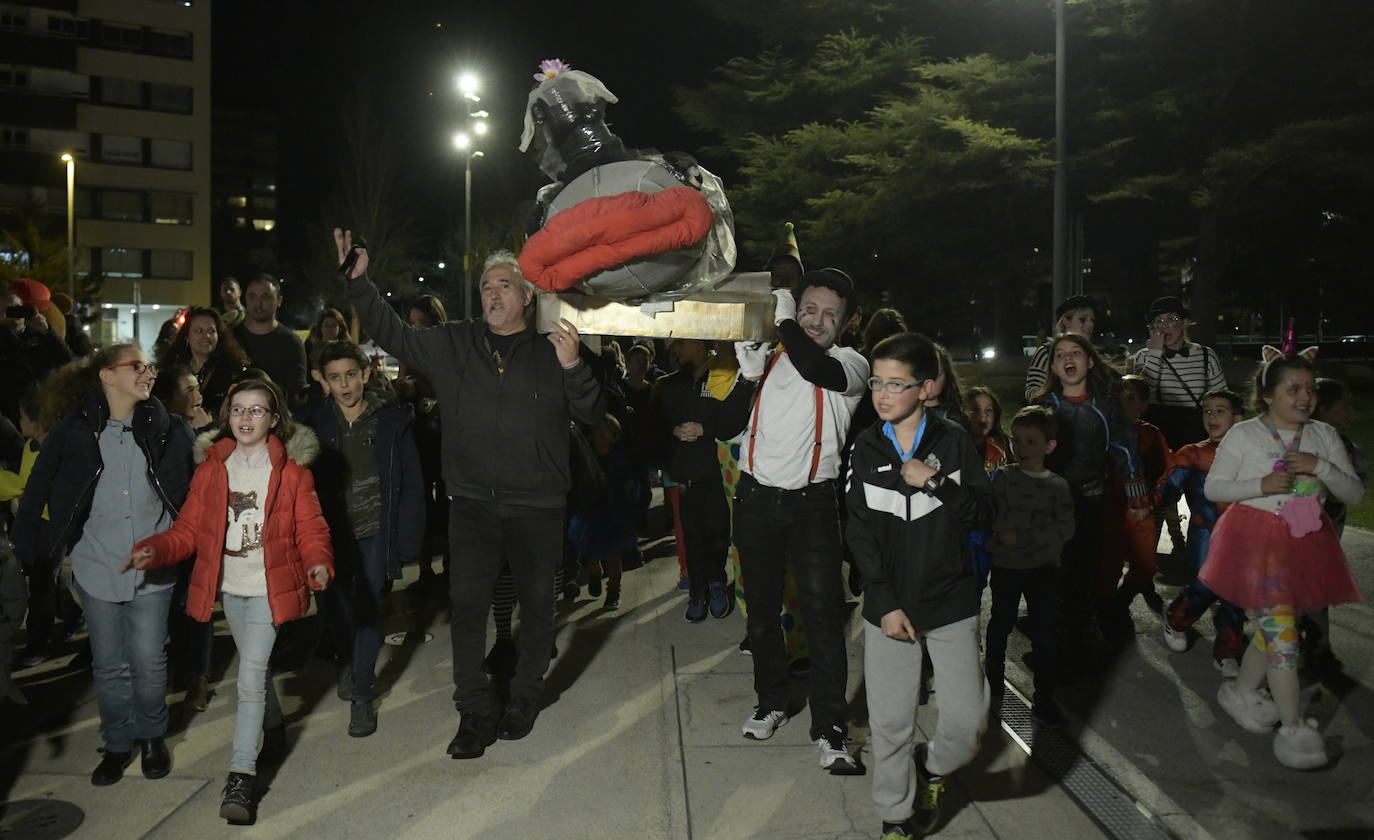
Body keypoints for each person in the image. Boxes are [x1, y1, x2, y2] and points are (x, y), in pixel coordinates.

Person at [335, 230, 604, 760]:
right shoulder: (455, 342)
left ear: (527, 296)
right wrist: (360, 284)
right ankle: (472, 712)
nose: (494, 294)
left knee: (537, 609)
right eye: (486, 287)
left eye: (505, 285)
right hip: (473, 504)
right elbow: (393, 332)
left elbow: (595, 415)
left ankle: (524, 698)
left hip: (538, 504)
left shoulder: (556, 346)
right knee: (466, 609)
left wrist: (574, 366)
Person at [125, 377, 333, 821]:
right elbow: (188, 531)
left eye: (257, 410)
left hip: (267, 588)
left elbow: (312, 528)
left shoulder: (292, 474)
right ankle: (273, 725)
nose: (246, 417)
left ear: (275, 419)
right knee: (254, 669)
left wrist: (319, 563)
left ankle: (240, 777)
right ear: (227, 416)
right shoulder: (211, 470)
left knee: (248, 676)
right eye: (238, 409)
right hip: (229, 589)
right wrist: (156, 548)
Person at [11, 345, 193, 786]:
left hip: (153, 565)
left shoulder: (168, 429)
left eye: (149, 366)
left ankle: (151, 737)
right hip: (97, 564)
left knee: (148, 660)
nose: (148, 373)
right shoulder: (73, 433)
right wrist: (28, 548)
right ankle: (116, 742)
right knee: (110, 664)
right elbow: (37, 491)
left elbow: (186, 492)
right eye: (137, 366)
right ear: (107, 377)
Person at [845, 332, 997, 838]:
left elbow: (984, 513)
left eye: (896, 384)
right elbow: (859, 534)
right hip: (890, 608)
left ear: (927, 388)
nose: (882, 395)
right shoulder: (865, 446)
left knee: (968, 725)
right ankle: (894, 817)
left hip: (951, 602)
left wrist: (934, 482)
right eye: (876, 383)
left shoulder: (954, 439)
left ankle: (932, 768)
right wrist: (883, 602)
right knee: (889, 725)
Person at [730, 267, 868, 773]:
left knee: (823, 617)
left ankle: (830, 725)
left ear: (846, 324)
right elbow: (725, 426)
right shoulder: (770, 360)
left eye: (829, 314)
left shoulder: (850, 364)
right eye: (808, 309)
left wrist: (784, 321)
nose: (816, 322)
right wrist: (746, 379)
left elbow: (817, 370)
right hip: (757, 499)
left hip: (813, 504)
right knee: (762, 613)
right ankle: (772, 700)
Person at [1199, 349, 1362, 769]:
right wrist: (1262, 484)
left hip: (1306, 542)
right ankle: (1292, 726)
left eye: (1309, 388)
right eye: (1293, 389)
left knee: (1277, 624)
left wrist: (1320, 466)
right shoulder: (1244, 434)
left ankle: (1242, 691)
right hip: (1256, 544)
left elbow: (1353, 494)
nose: (1304, 397)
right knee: (1283, 633)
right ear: (1268, 395)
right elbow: (1215, 488)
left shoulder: (1323, 435)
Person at [300, 340, 423, 737]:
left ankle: (363, 696)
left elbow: (411, 482)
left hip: (374, 532)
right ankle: (351, 662)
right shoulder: (313, 423)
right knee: (335, 610)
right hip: (330, 534)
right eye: (335, 378)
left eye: (351, 375)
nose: (345, 384)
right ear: (324, 380)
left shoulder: (390, 420)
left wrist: (407, 539)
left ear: (366, 374)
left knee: (370, 609)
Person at [1033, 334, 1151, 673]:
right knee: (1051, 580)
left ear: (1089, 362)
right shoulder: (1044, 406)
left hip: (1090, 503)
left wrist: (1138, 497)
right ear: (1054, 366)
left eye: (1076, 353)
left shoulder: (1106, 407)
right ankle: (1050, 648)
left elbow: (1126, 449)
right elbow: (1026, 452)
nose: (1069, 359)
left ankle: (1077, 648)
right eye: (1061, 355)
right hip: (1050, 508)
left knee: (1084, 578)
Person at [650, 339, 753, 621]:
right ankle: (697, 592)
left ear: (698, 343)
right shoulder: (668, 385)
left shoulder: (723, 376)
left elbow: (735, 421)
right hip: (687, 475)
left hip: (719, 472)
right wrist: (673, 435)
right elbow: (656, 428)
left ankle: (717, 582)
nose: (677, 349)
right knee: (693, 535)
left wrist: (704, 429)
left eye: (683, 342)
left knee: (719, 532)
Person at [985, 406, 1075, 727]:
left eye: (1031, 442)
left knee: (1045, 635)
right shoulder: (1001, 479)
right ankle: (992, 680)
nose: (1022, 448)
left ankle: (1045, 699)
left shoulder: (1057, 485)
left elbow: (1065, 528)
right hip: (1007, 567)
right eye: (1017, 441)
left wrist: (1024, 534)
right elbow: (991, 517)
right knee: (1001, 622)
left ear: (1049, 446)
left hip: (1043, 570)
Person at [1157, 389, 1247, 675]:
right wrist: (1147, 504)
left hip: (1243, 536)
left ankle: (1227, 650)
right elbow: (1166, 488)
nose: (1212, 416)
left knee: (1236, 594)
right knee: (1205, 587)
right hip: (1205, 535)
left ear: (1238, 418)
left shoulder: (1254, 455)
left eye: (1221, 410)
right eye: (1207, 411)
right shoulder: (1193, 454)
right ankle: (1176, 618)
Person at [1300, 378, 1368, 673]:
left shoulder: (1331, 441)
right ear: (1324, 409)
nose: (1350, 411)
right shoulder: (1327, 442)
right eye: (1344, 405)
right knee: (1311, 590)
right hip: (1311, 532)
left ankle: (1310, 647)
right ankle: (1315, 650)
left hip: (1322, 529)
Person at [1098, 375, 1171, 636]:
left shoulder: (1150, 433)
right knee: (1109, 563)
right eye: (1117, 397)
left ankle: (1122, 599)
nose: (1121, 403)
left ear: (1143, 405)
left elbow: (1167, 469)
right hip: (1109, 506)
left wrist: (1155, 500)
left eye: (1129, 398)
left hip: (1139, 508)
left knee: (1146, 564)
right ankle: (1105, 609)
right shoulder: (1102, 430)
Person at [1130, 296, 1228, 450]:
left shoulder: (1205, 355)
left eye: (1172, 319)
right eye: (1159, 321)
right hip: (1160, 434)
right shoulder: (1144, 356)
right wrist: (1155, 353)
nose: (1165, 326)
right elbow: (1143, 396)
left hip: (1196, 434)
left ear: (1185, 323)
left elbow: (1223, 398)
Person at [1, 284, 73, 429]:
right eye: (4, 309)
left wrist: (47, 332)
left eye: (15, 308)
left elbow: (65, 359)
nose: (10, 313)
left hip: (40, 411)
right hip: (7, 414)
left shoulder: (40, 334)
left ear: (24, 309)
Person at [158, 307, 251, 418]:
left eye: (211, 331)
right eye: (198, 331)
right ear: (187, 337)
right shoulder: (173, 371)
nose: (206, 336)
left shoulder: (233, 371)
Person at [233, 274, 308, 404]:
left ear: (279, 300)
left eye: (265, 297)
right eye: (252, 297)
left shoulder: (291, 343)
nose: (258, 303)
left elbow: (297, 394)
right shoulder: (231, 338)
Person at [1023, 295, 1096, 401]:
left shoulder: (1093, 355)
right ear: (1066, 322)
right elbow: (1031, 393)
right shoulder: (1046, 352)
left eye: (1092, 320)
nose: (1090, 324)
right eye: (1083, 319)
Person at [965, 386, 1012, 472]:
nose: (983, 416)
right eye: (976, 410)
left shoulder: (1004, 446)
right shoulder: (954, 445)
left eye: (989, 410)